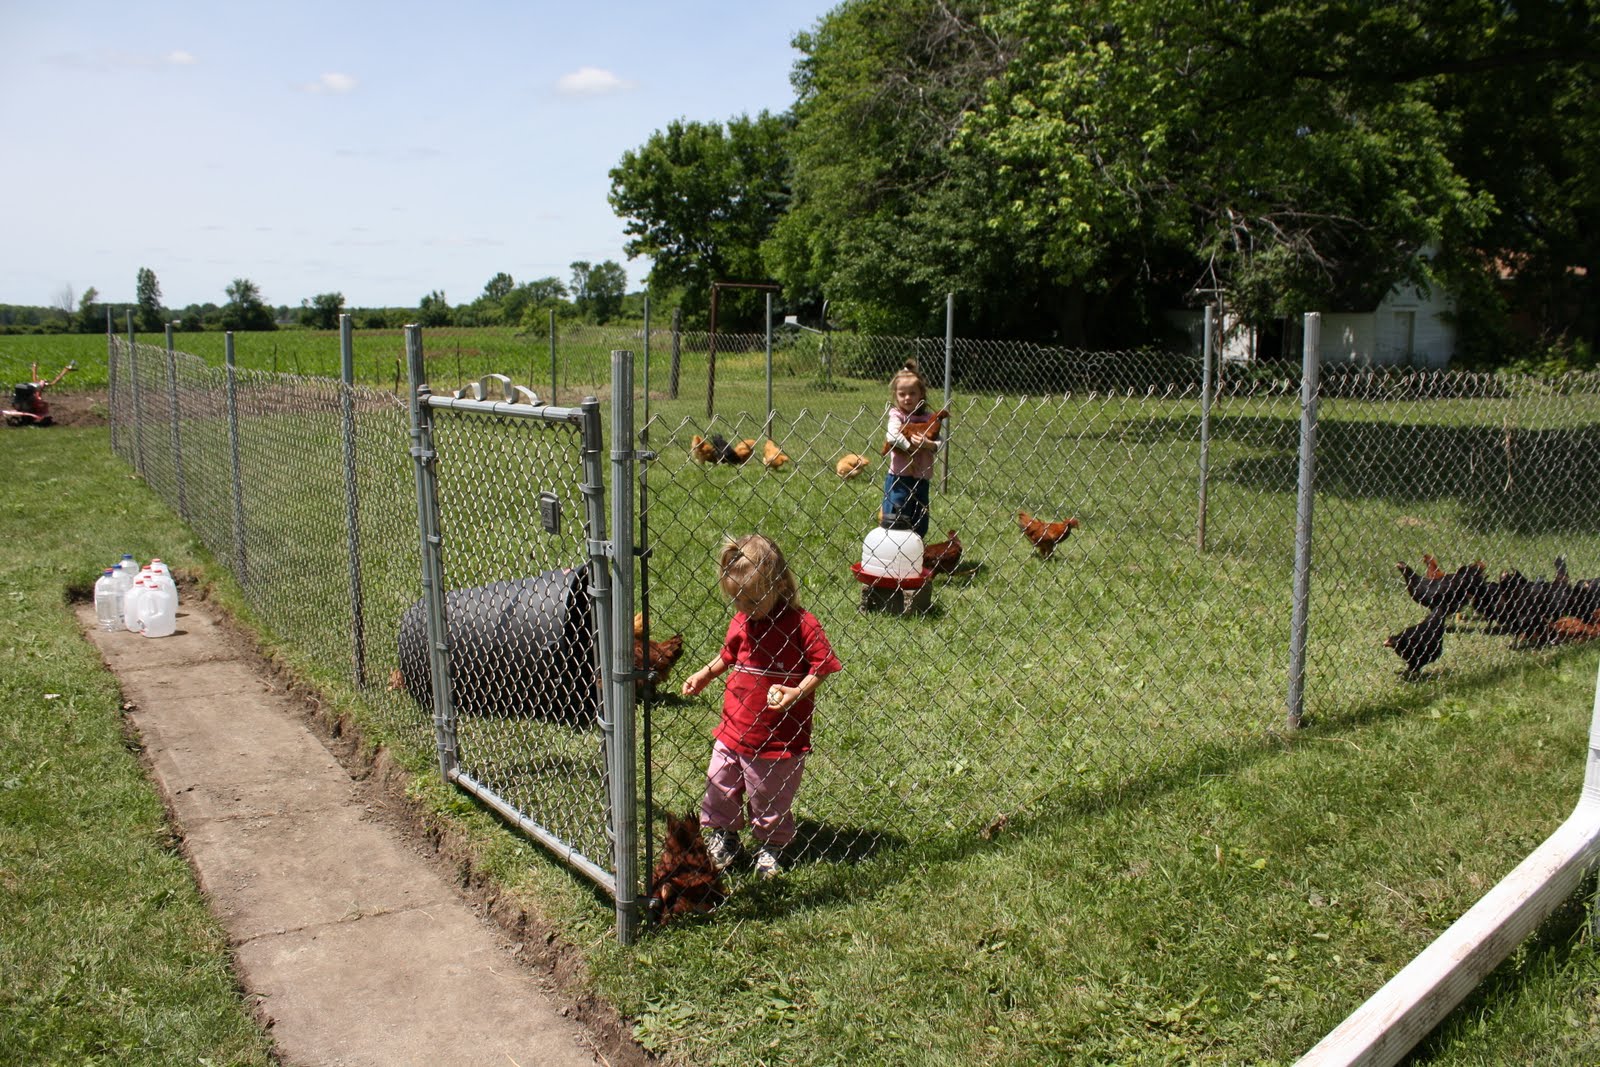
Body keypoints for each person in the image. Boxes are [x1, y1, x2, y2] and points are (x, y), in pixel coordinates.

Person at [680, 534, 842, 877]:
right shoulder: (742, 621)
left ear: (779, 584)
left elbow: (823, 665)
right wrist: (704, 674)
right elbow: (728, 655)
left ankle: (772, 845)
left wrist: (795, 692)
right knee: (718, 784)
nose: (745, 608)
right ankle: (725, 836)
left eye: (753, 599)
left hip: (777, 738)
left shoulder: (801, 624)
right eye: (737, 599)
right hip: (733, 727)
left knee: (769, 798)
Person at [881, 359, 945, 537]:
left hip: (922, 479)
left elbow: (939, 441)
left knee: (920, 518)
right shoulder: (897, 415)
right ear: (896, 395)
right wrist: (909, 446)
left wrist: (928, 445)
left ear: (921, 394)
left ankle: (915, 548)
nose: (907, 398)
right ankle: (894, 549)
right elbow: (891, 435)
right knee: (896, 515)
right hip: (899, 478)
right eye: (902, 394)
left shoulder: (929, 418)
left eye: (912, 393)